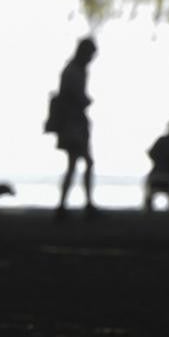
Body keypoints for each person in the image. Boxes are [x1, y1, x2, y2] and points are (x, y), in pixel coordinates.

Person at [47, 37, 99, 220]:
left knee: (75, 164)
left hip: (75, 123)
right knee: (81, 163)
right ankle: (81, 204)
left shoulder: (75, 71)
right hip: (73, 124)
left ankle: (68, 204)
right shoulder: (73, 72)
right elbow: (72, 96)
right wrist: (83, 100)